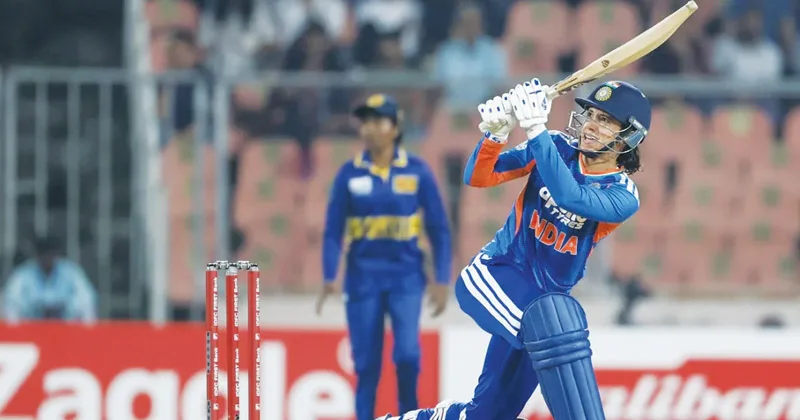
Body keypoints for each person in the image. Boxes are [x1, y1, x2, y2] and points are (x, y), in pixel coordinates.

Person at [377, 78, 650, 420]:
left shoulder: (622, 194)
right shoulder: (555, 145)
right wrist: (496, 135)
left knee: (488, 415)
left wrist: (535, 128)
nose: (591, 126)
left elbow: (572, 197)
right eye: (591, 115)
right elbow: (479, 176)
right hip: (497, 274)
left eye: (605, 120)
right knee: (559, 322)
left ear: (629, 136)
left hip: (542, 308)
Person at [317, 93, 453, 420]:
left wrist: (442, 278)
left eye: (377, 121)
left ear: (395, 128)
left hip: (406, 277)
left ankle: (409, 416)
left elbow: (439, 228)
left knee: (408, 357)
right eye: (365, 122)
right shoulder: (349, 174)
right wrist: (329, 275)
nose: (369, 128)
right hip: (362, 279)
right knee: (366, 365)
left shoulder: (417, 172)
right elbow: (333, 230)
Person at [2, 236, 97, 323]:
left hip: (66, 328)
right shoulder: (23, 274)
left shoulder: (71, 272)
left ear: (56, 254)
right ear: (37, 255)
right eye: (43, 254)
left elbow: (86, 299)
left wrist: (65, 309)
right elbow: (11, 302)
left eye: (50, 254)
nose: (47, 258)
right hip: (31, 328)